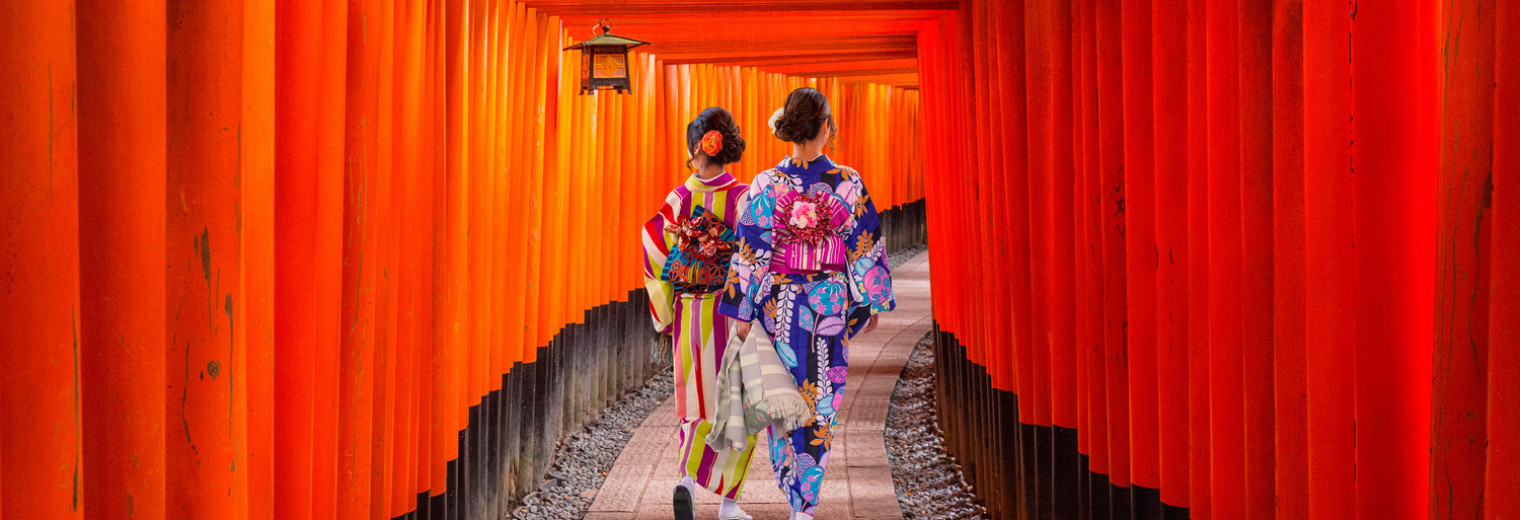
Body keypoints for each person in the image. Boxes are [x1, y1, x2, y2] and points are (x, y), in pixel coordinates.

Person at [719, 88, 896, 520]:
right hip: (828, 306)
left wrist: (743, 311)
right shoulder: (848, 183)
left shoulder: (765, 184)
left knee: (785, 397)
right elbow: (864, 244)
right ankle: (805, 504)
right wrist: (870, 301)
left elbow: (750, 250)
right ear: (826, 130)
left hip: (780, 307)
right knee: (821, 402)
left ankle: (793, 488)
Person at [641, 107, 758, 520]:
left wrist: (665, 310)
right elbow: (755, 256)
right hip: (732, 314)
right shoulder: (745, 197)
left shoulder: (680, 198)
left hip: (690, 311)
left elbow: (654, 246)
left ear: (697, 148)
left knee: (694, 398)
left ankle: (686, 481)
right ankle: (729, 504)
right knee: (737, 402)